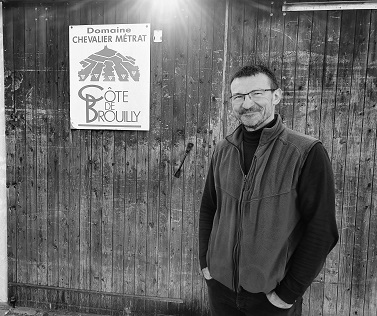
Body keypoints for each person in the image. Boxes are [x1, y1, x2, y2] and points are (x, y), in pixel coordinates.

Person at [199, 64, 339, 316]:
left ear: (276, 96)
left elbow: (322, 230)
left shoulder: (305, 152)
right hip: (220, 289)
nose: (247, 103)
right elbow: (210, 207)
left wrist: (287, 294)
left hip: (270, 298)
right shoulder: (223, 149)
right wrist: (205, 265)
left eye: (256, 93)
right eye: (239, 96)